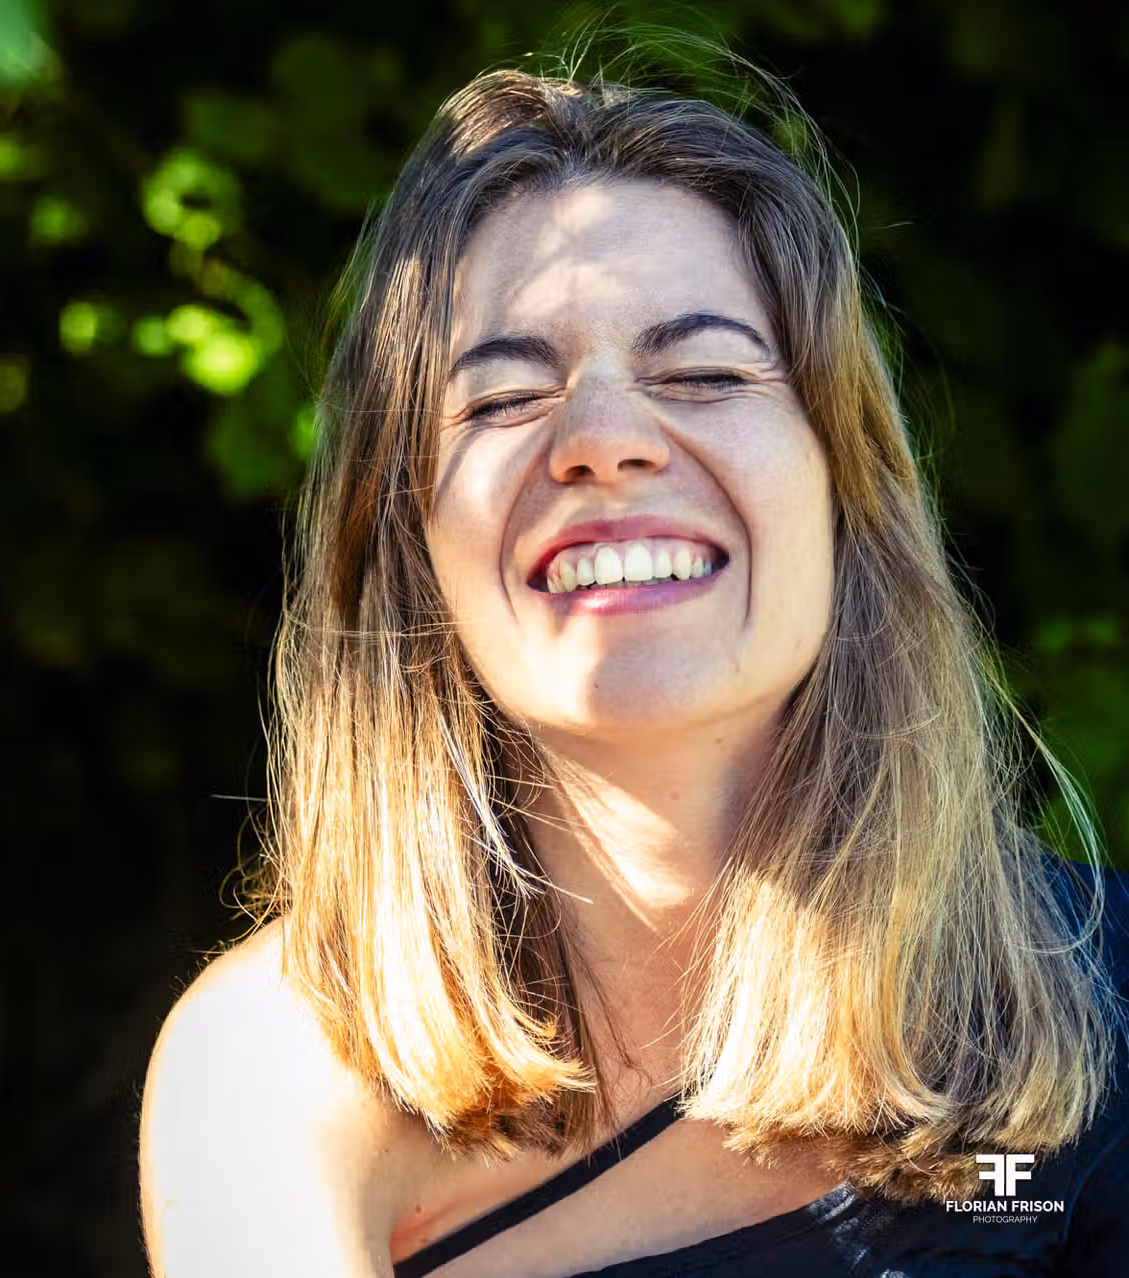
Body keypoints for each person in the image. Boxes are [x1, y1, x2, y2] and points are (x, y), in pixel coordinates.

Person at [137, 26, 1129, 1278]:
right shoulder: (278, 1072)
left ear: (845, 487)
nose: (604, 440)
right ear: (410, 546)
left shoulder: (1094, 997)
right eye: (504, 398)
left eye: (704, 372)